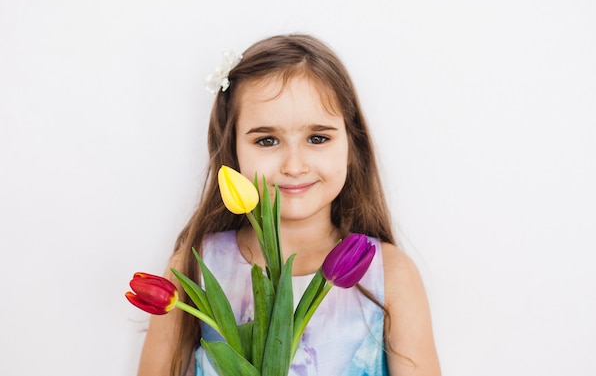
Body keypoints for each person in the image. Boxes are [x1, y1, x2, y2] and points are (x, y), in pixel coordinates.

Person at [136, 34, 441, 376]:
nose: (294, 165)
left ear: (351, 145)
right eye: (267, 140)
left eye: (318, 138)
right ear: (232, 149)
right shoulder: (197, 266)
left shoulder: (391, 275)